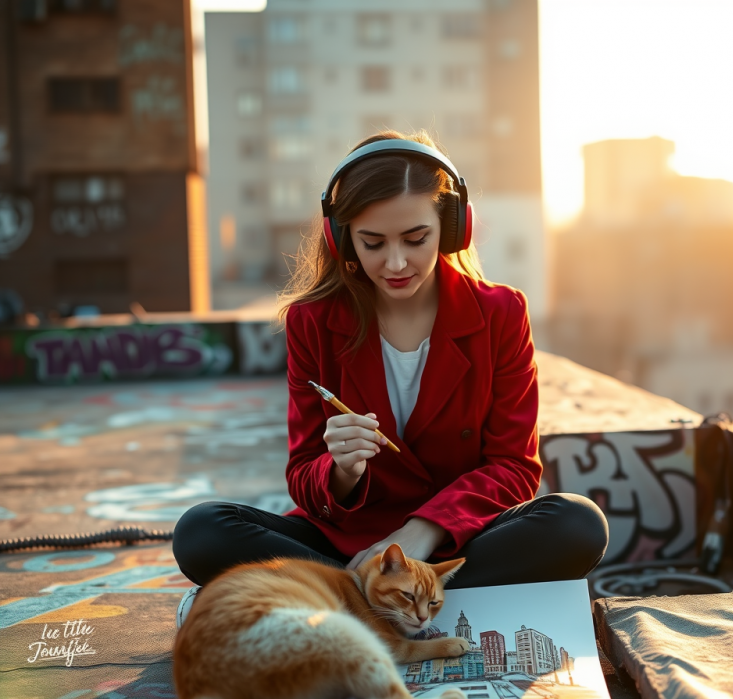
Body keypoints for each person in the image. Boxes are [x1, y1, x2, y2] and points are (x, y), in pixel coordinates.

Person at [172, 131, 608, 626]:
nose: (396, 263)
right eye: (373, 243)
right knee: (202, 531)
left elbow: (513, 466)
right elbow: (302, 475)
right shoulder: (312, 323)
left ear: (452, 227)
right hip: (347, 549)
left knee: (577, 524)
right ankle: (391, 603)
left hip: (455, 542)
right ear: (342, 238)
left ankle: (346, 605)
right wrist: (340, 470)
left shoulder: (501, 313)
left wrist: (420, 534)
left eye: (416, 239)